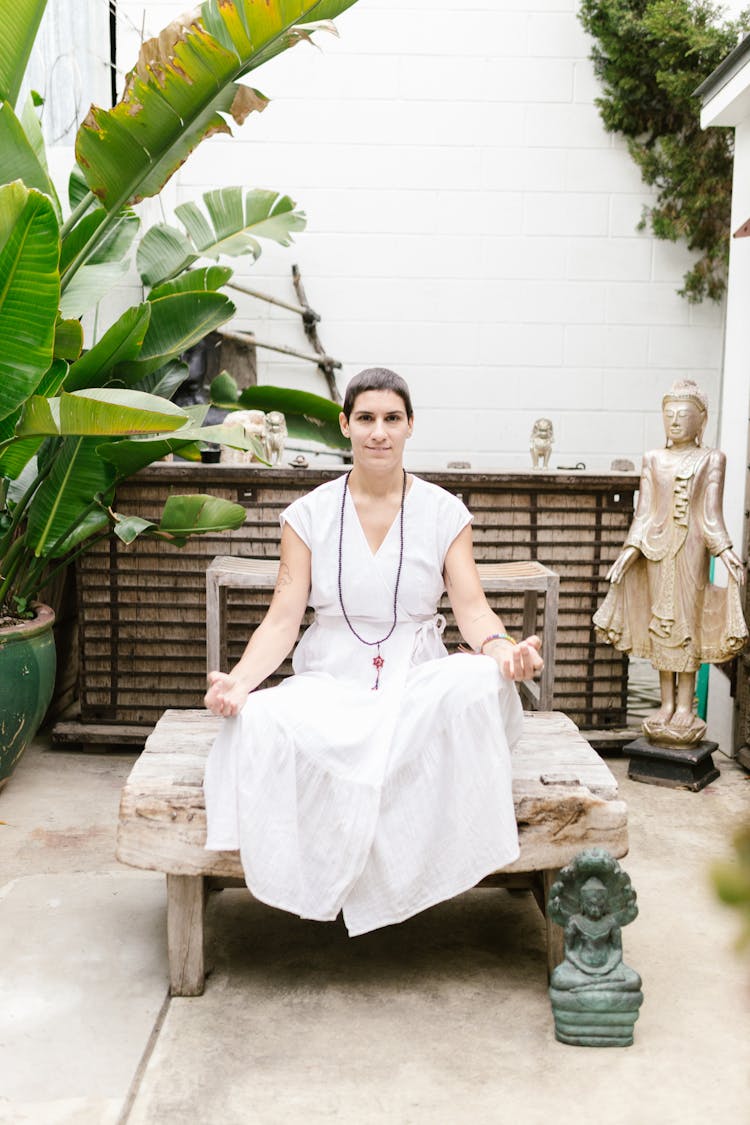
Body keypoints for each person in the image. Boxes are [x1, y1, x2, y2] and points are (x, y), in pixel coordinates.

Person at [203, 367, 544, 936]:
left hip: (416, 679)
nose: (378, 432)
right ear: (346, 426)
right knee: (260, 719)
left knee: (482, 683)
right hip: (332, 683)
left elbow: (472, 608)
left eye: (391, 419)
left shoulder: (443, 511)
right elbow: (284, 617)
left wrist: (503, 649)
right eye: (366, 419)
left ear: (410, 426)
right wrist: (240, 681)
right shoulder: (308, 514)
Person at [594, 379, 746, 745]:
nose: (675, 422)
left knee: (686, 622)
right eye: (669, 415)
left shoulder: (712, 459)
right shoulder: (653, 459)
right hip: (655, 550)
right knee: (660, 623)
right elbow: (644, 513)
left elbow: (710, 515)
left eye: (684, 415)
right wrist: (629, 553)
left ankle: (686, 707)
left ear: (701, 420)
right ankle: (665, 704)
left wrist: (724, 551)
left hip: (692, 551)